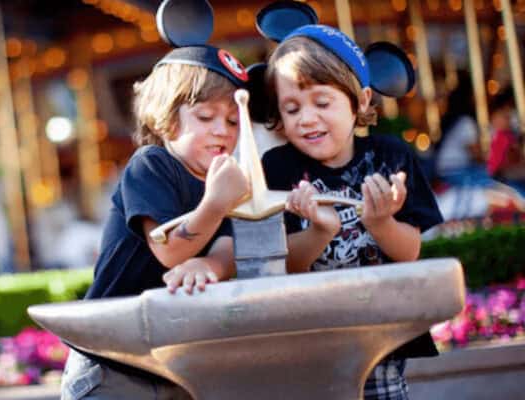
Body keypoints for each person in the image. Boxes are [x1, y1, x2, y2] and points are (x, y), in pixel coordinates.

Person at [60, 4, 250, 398]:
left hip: (170, 359)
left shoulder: (224, 179)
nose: (222, 131)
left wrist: (210, 264)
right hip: (111, 359)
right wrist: (214, 205)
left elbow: (231, 244)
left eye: (233, 122)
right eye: (206, 117)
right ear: (166, 119)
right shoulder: (152, 165)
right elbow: (168, 250)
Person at [260, 25, 443, 399]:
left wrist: (381, 223)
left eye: (322, 103)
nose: (306, 118)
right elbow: (279, 263)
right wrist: (319, 232)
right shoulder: (276, 167)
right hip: (310, 334)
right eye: (292, 108)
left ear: (360, 100)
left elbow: (409, 251)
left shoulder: (391, 157)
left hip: (382, 328)